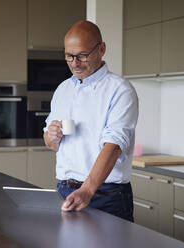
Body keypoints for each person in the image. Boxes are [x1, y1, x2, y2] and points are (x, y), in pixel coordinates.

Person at [43, 20, 138, 222]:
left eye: (82, 55)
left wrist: (87, 190)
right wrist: (51, 136)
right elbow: (51, 144)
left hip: (106, 195)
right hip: (64, 189)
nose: (75, 63)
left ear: (101, 49)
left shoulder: (120, 90)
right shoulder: (62, 90)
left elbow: (114, 145)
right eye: (69, 56)